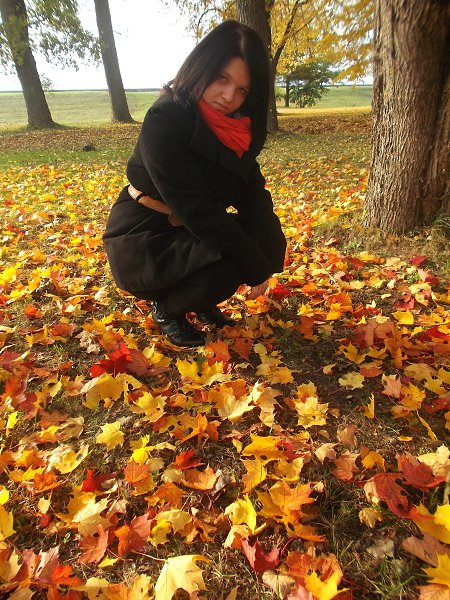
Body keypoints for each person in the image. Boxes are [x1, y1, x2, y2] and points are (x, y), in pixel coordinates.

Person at [103, 20, 286, 347]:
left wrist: (271, 256)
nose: (229, 97)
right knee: (229, 266)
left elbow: (253, 195)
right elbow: (199, 210)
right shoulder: (166, 118)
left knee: (239, 253)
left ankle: (200, 303)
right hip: (144, 235)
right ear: (203, 66)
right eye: (222, 78)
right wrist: (255, 264)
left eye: (242, 90)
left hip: (188, 231)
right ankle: (167, 309)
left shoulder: (237, 131)